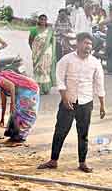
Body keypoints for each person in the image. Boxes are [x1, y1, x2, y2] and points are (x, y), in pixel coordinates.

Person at [40, 33, 106, 173]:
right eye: (85, 43)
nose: (88, 46)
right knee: (60, 131)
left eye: (90, 44)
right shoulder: (67, 59)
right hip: (68, 101)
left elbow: (99, 84)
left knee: (83, 134)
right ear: (78, 43)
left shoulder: (95, 62)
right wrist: (64, 98)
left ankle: (82, 163)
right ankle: (53, 160)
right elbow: (60, 79)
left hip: (86, 102)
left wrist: (102, 105)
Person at [0, 70, 39, 144]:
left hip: (29, 89)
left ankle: (20, 136)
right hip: (26, 88)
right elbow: (3, 102)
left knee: (24, 113)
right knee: (16, 112)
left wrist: (12, 103)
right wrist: (2, 118)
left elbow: (12, 86)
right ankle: (14, 133)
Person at [29, 14, 57, 92]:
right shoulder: (34, 30)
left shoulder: (50, 30)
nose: (43, 21)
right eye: (41, 19)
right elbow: (30, 41)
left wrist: (53, 54)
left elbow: (53, 42)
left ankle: (46, 88)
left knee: (45, 70)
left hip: (47, 53)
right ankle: (38, 88)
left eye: (44, 20)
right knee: (38, 70)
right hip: (37, 53)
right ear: (38, 20)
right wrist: (34, 50)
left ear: (46, 21)